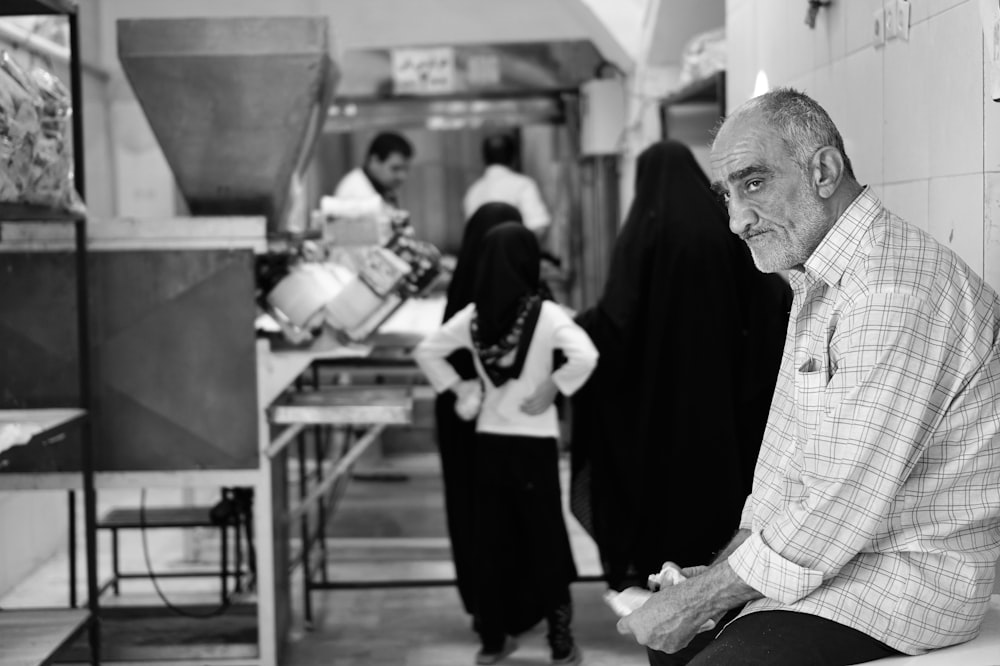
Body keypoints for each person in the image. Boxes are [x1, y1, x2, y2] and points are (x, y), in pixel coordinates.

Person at [617, 88, 1000, 665]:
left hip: (907, 578)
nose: (736, 220)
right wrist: (713, 580)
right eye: (726, 195)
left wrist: (702, 600)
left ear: (823, 170)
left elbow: (839, 505)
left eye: (753, 183)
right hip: (843, 560)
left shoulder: (892, 291)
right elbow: (781, 471)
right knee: (677, 645)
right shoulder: (819, 278)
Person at [569, 140, 790, 634]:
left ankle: (661, 595)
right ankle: (723, 593)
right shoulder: (723, 230)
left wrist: (575, 328)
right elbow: (773, 300)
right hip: (723, 415)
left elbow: (617, 322)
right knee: (721, 504)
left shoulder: (644, 234)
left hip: (656, 415)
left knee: (658, 510)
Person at [414, 223, 597, 666]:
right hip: (534, 445)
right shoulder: (546, 314)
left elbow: (427, 351)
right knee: (545, 539)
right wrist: (555, 386)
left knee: (491, 541)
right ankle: (559, 641)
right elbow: (587, 355)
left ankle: (493, 642)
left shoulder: (474, 316)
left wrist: (461, 390)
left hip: (489, 443)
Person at [434, 202, 526, 624]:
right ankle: (522, 601)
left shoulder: (459, 304)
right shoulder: (531, 298)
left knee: (472, 509)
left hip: (464, 427)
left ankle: (484, 604)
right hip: (519, 431)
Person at [320, 131, 414, 243]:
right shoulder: (355, 192)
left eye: (406, 169)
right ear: (374, 161)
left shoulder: (380, 187)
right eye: (395, 169)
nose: (402, 176)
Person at [463, 133, 551, 241]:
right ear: (513, 157)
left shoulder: (473, 191)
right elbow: (539, 227)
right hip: (517, 256)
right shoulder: (523, 185)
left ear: (484, 158)